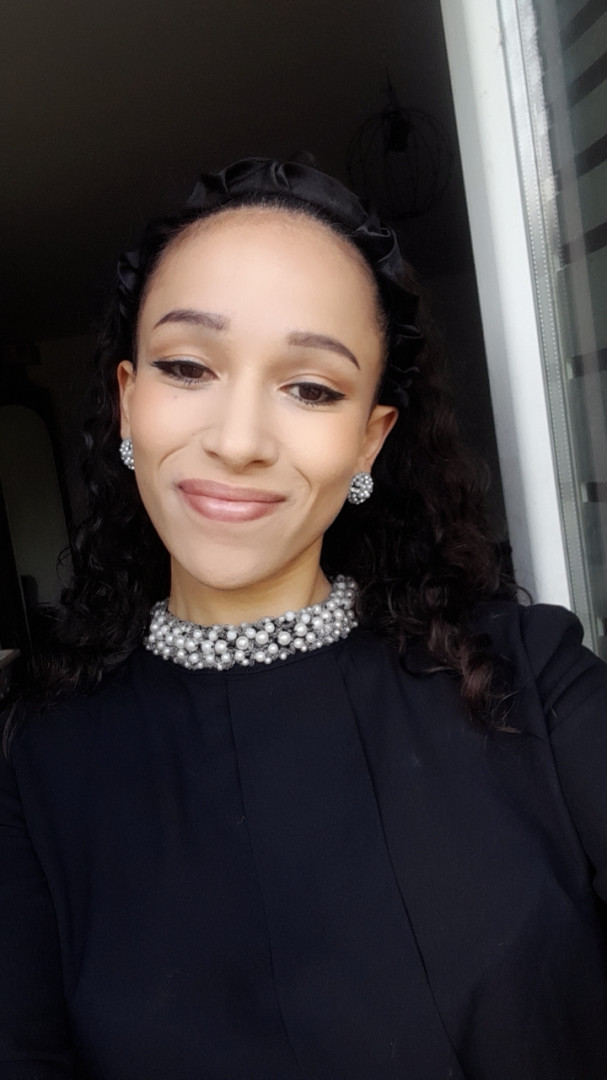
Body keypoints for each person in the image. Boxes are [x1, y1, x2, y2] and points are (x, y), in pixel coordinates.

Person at [1, 157, 606, 1080]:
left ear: (369, 437)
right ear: (128, 400)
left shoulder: (532, 679)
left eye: (312, 388)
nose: (237, 440)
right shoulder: (38, 765)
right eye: (186, 367)